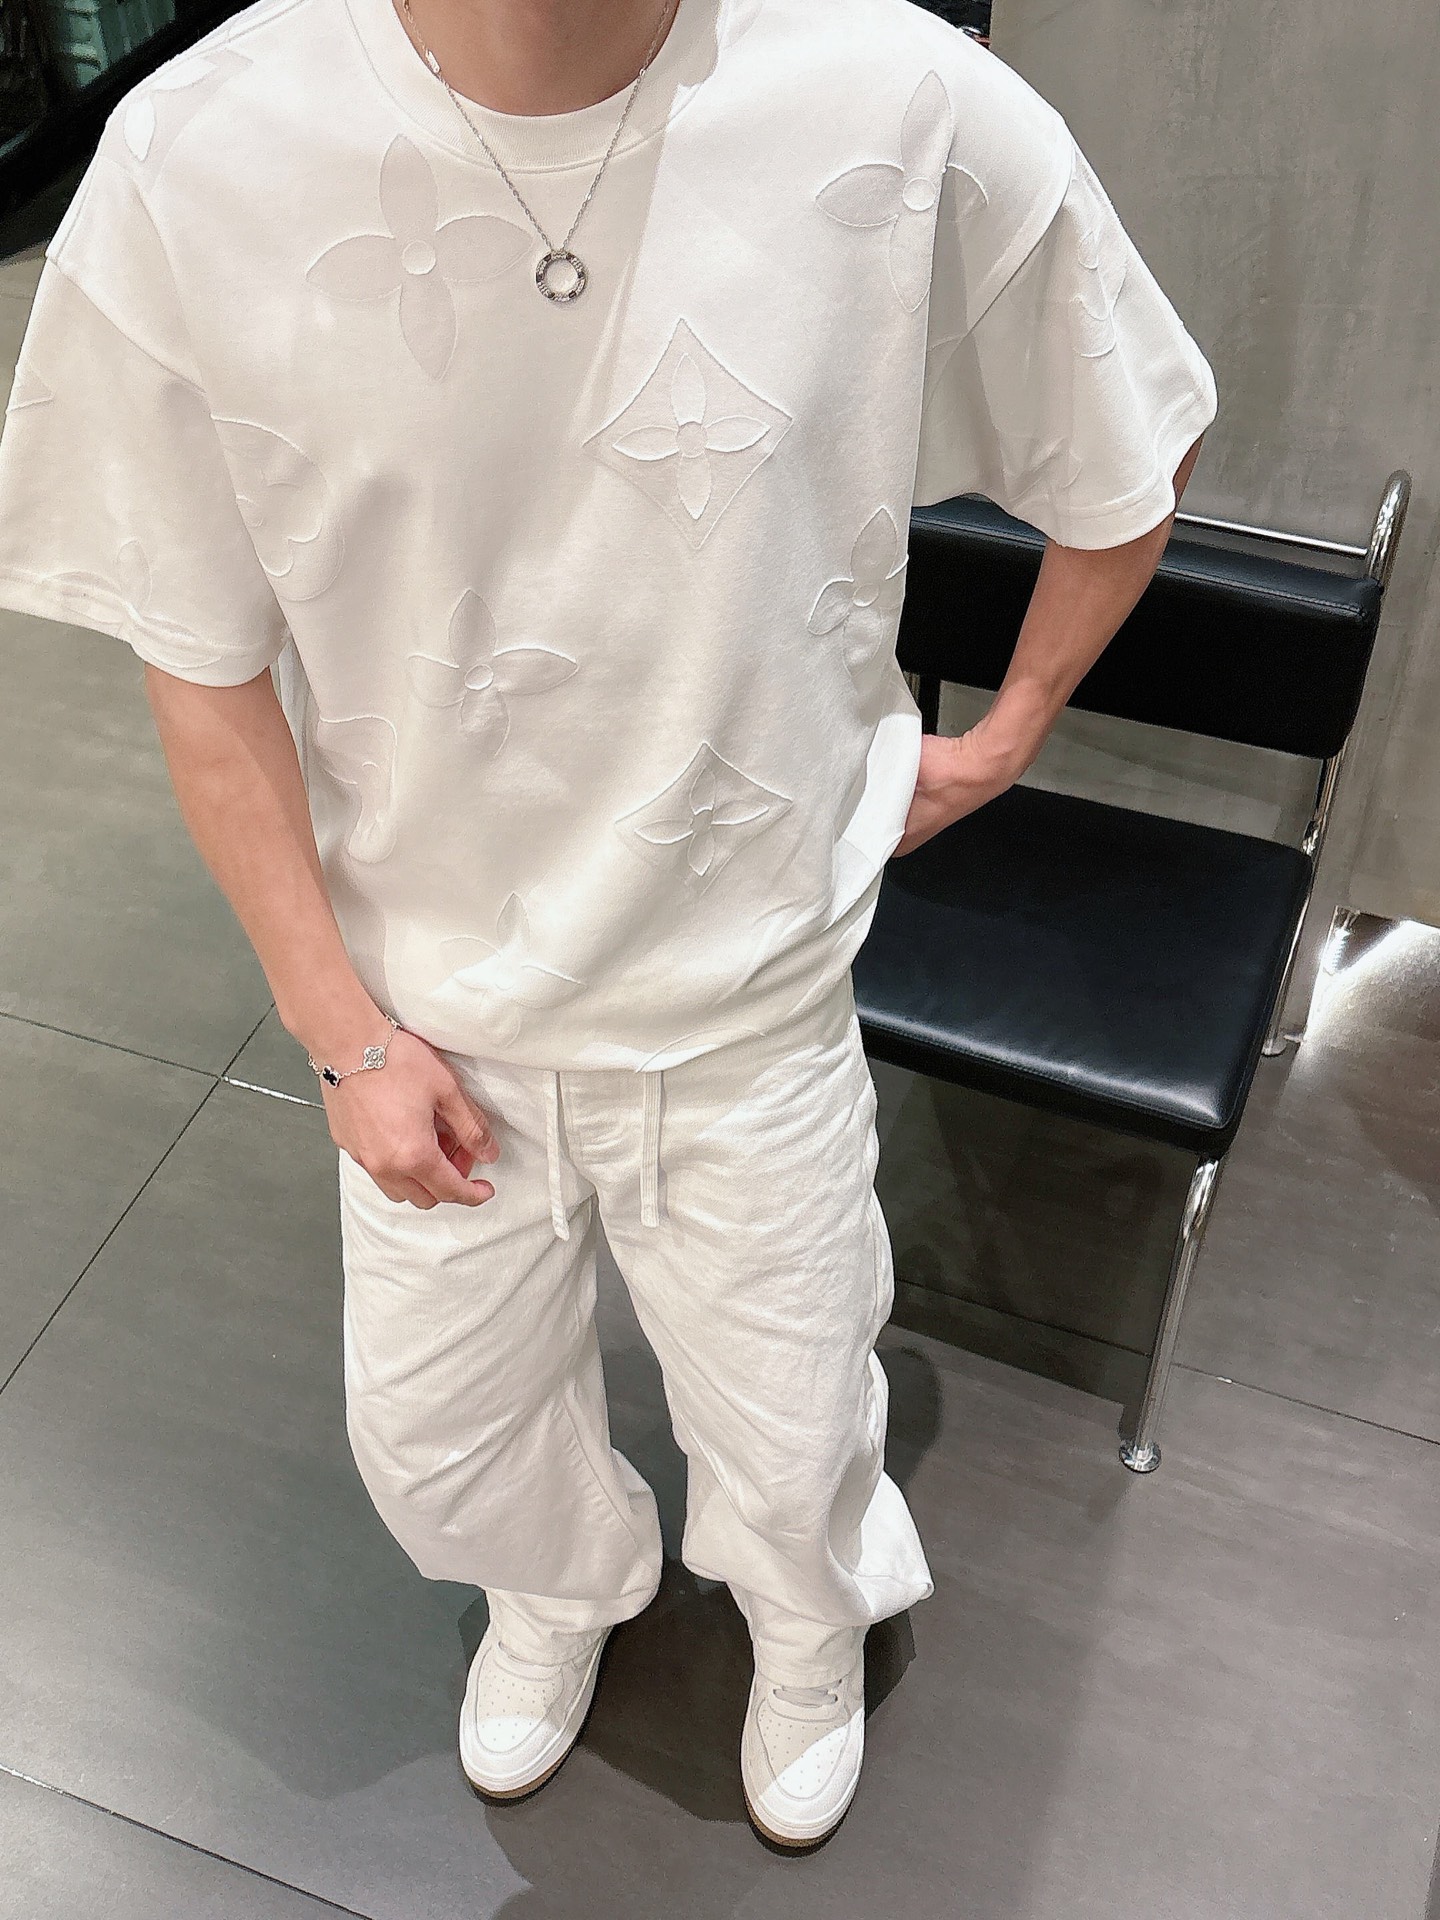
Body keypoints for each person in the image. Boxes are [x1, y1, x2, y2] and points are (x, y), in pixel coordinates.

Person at [0, 0, 1215, 1851]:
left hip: (750, 990)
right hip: (430, 1001)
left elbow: (1130, 428)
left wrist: (1010, 730)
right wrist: (340, 1032)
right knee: (445, 1422)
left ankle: (806, 1623)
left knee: (794, 1404)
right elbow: (200, 654)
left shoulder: (892, 96)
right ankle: (556, 1584)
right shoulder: (203, 153)